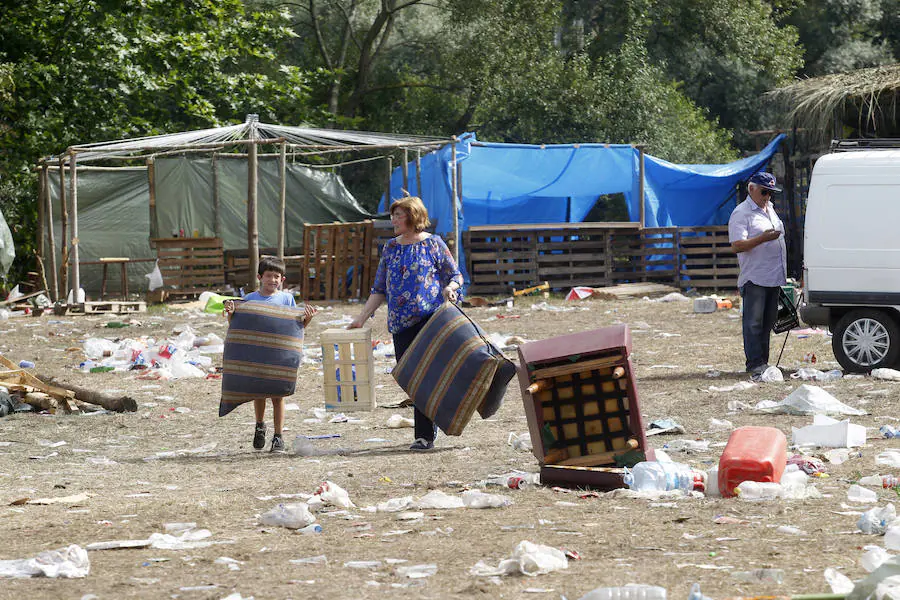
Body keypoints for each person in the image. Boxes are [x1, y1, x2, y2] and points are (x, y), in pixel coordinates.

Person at [348, 195, 463, 451]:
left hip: (431, 320)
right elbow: (379, 289)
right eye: (393, 215)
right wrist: (361, 318)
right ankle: (430, 423)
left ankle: (424, 435)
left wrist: (451, 289)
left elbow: (454, 275)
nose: (394, 220)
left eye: (399, 215)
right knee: (409, 378)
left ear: (413, 217)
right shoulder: (390, 247)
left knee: (427, 376)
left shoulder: (434, 244)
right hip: (400, 324)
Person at [224, 256, 317, 453]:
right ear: (259, 277)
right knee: (259, 393)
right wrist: (231, 314)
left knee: (278, 395)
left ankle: (278, 436)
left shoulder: (286, 299)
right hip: (256, 355)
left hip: (279, 357)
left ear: (282, 279)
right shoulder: (249, 300)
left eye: (277, 276)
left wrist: (307, 319)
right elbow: (238, 328)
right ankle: (260, 425)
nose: (272, 280)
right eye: (269, 276)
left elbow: (295, 328)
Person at [728, 171, 787, 379]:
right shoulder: (741, 213)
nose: (767, 197)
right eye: (764, 192)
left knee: (768, 322)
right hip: (755, 278)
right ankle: (754, 363)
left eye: (771, 193)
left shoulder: (769, 208)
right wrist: (762, 239)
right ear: (751, 189)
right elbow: (736, 245)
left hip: (774, 276)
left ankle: (763, 361)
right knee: (753, 323)